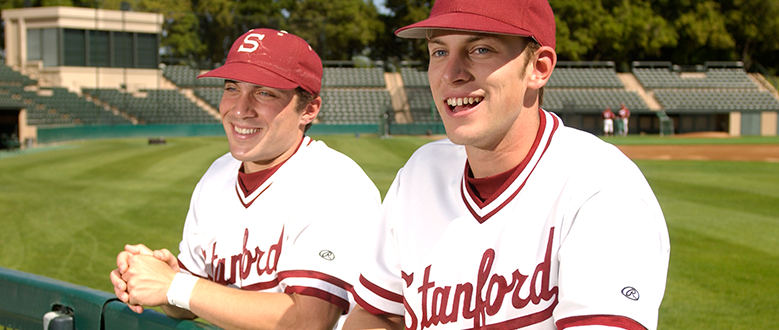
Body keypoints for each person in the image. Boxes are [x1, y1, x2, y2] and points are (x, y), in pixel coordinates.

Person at [343, 0, 670, 329]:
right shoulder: (419, 174)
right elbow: (376, 313)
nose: (451, 74)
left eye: (481, 50)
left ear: (538, 68)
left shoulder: (601, 188)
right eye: (439, 52)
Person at [110, 28, 382, 330]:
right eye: (231, 88)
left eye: (264, 93)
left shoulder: (335, 184)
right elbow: (192, 302)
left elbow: (308, 321)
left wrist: (176, 286)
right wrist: (161, 278)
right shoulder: (216, 176)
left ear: (309, 109)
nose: (240, 109)